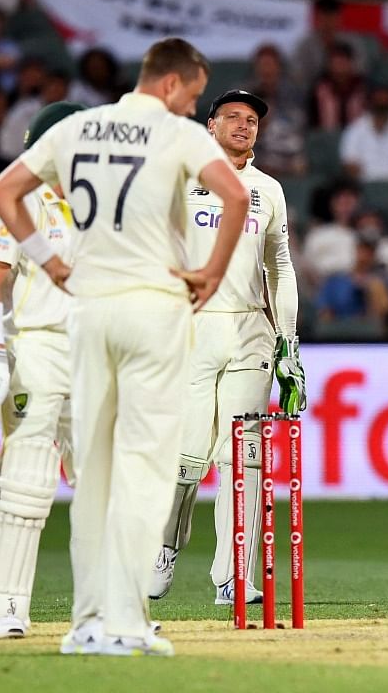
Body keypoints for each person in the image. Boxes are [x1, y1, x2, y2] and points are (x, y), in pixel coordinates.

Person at [0, 37, 250, 656]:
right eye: (190, 94)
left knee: (95, 472)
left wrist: (48, 262)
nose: (191, 106)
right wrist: (210, 273)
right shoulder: (177, 133)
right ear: (169, 84)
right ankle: (127, 621)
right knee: (145, 471)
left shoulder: (77, 128)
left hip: (89, 312)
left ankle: (86, 626)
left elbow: (3, 192)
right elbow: (236, 196)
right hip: (154, 309)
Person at [148, 89, 304, 605]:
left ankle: (234, 574)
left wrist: (289, 341)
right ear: (210, 126)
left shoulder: (268, 191)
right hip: (191, 329)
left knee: (246, 459)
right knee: (186, 457)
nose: (243, 125)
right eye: (232, 117)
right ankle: (163, 548)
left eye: (252, 120)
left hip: (250, 332)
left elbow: (280, 266)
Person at [0, 101, 85, 640]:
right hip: (39, 347)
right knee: (27, 482)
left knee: (107, 487)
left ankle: (107, 610)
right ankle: (7, 607)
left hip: (100, 353)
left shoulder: (114, 205)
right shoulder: (17, 202)